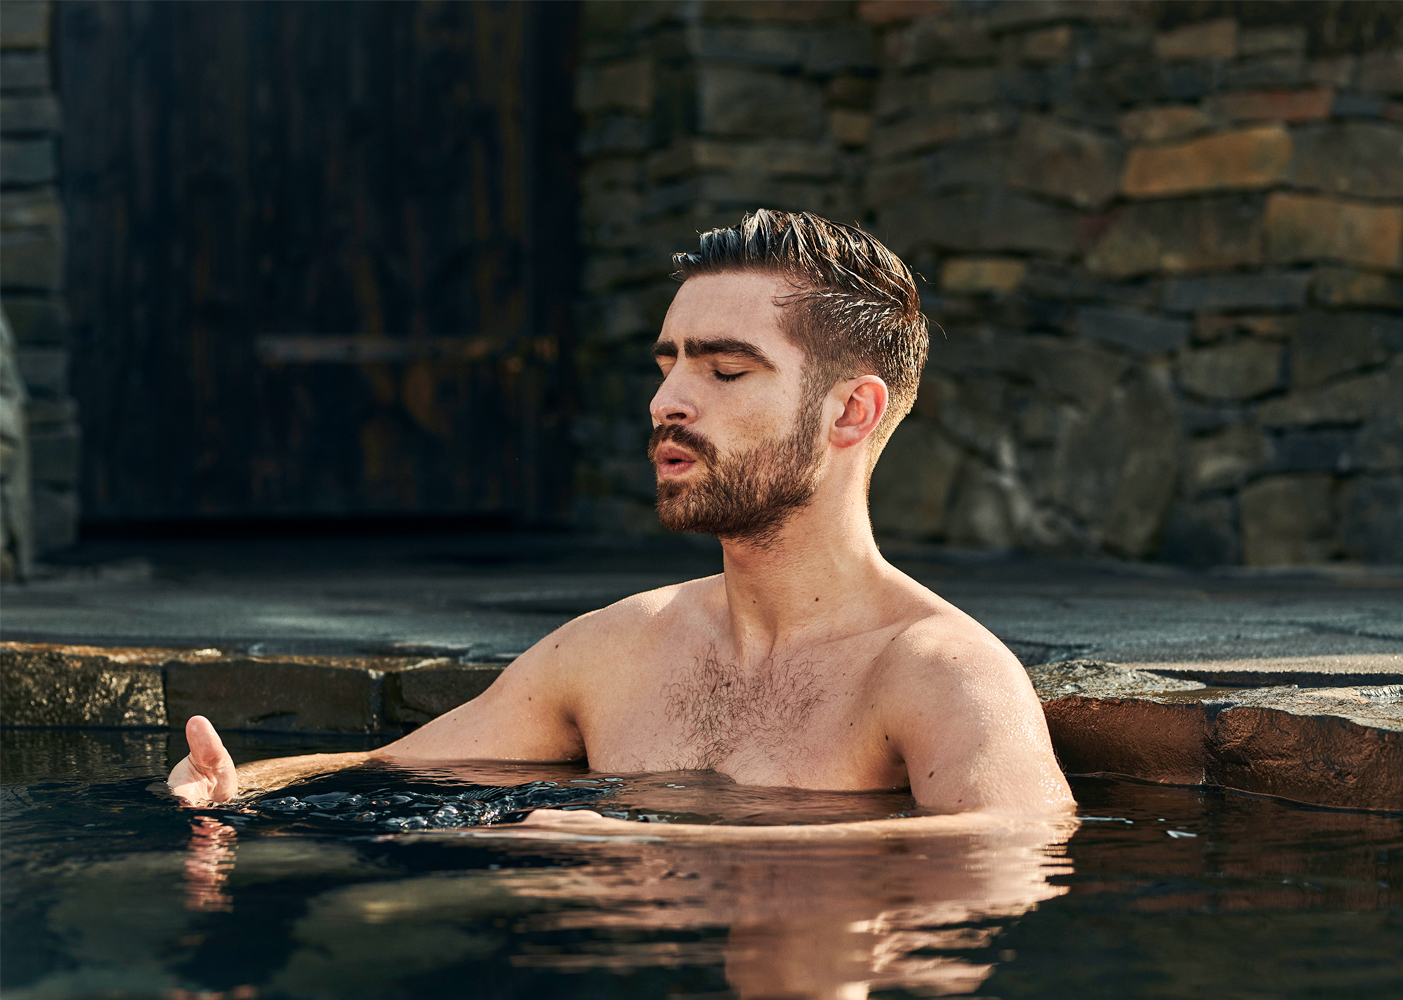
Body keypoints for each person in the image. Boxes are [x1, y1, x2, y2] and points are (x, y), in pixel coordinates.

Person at [169, 209, 1074, 835]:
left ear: (849, 413)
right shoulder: (616, 649)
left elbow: (1004, 850)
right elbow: (392, 767)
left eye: (724, 372)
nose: (666, 401)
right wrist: (240, 786)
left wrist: (661, 850)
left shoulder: (938, 671)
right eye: (669, 363)